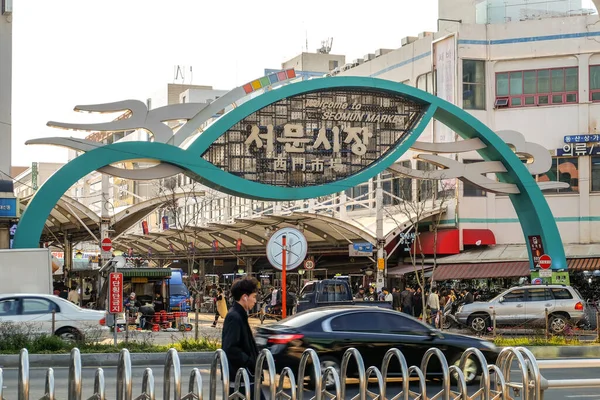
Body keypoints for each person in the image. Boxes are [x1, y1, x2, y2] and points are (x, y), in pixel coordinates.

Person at [221, 277, 265, 399]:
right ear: (245, 297)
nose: (255, 301)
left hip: (244, 376)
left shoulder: (238, 315)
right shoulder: (234, 317)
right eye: (254, 297)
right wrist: (250, 362)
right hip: (241, 377)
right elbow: (230, 348)